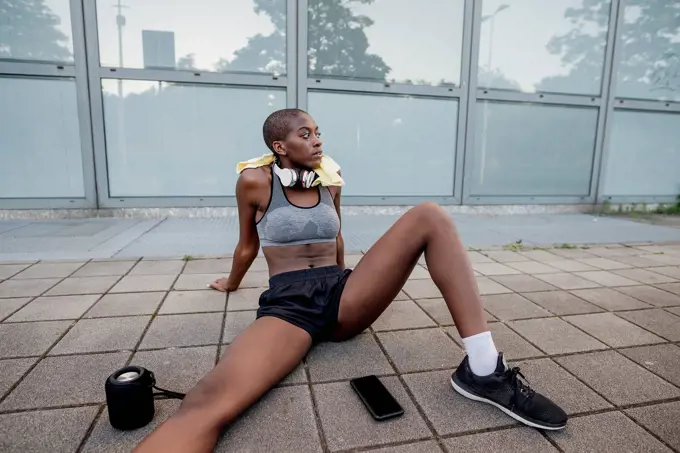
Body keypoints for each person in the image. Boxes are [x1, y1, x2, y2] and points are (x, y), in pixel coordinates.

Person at [132, 109, 567, 453]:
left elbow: (336, 236)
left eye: (318, 131)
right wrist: (231, 282)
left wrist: (356, 284)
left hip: (342, 295)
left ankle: (484, 369)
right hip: (289, 307)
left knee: (429, 215)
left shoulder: (330, 181)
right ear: (279, 146)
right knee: (208, 404)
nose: (317, 139)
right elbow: (246, 244)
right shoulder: (253, 182)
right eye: (305, 134)